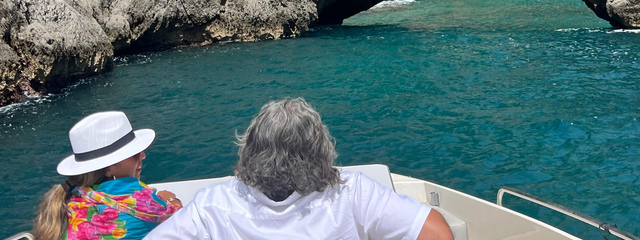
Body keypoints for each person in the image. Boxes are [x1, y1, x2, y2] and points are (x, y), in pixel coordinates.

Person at [145, 98, 453, 240]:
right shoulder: (351, 193)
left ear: (250, 147)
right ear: (320, 150)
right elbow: (437, 233)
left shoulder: (212, 205)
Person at [34, 111, 182, 240]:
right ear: (108, 169)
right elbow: (181, 219)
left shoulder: (69, 199)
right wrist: (171, 199)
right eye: (134, 153)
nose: (142, 156)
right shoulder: (142, 202)